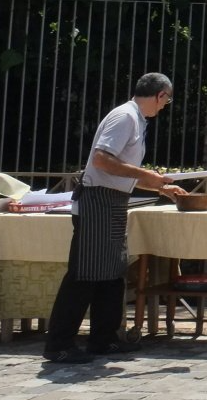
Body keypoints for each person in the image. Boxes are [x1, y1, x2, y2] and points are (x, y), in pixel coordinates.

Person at [42, 74, 185, 364]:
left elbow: (121, 170)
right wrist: (149, 176)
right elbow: (102, 160)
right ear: (160, 95)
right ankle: (58, 343)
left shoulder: (134, 119)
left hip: (113, 201)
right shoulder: (125, 117)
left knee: (111, 273)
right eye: (167, 100)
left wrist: (160, 185)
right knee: (84, 273)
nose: (165, 106)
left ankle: (103, 339)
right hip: (98, 201)